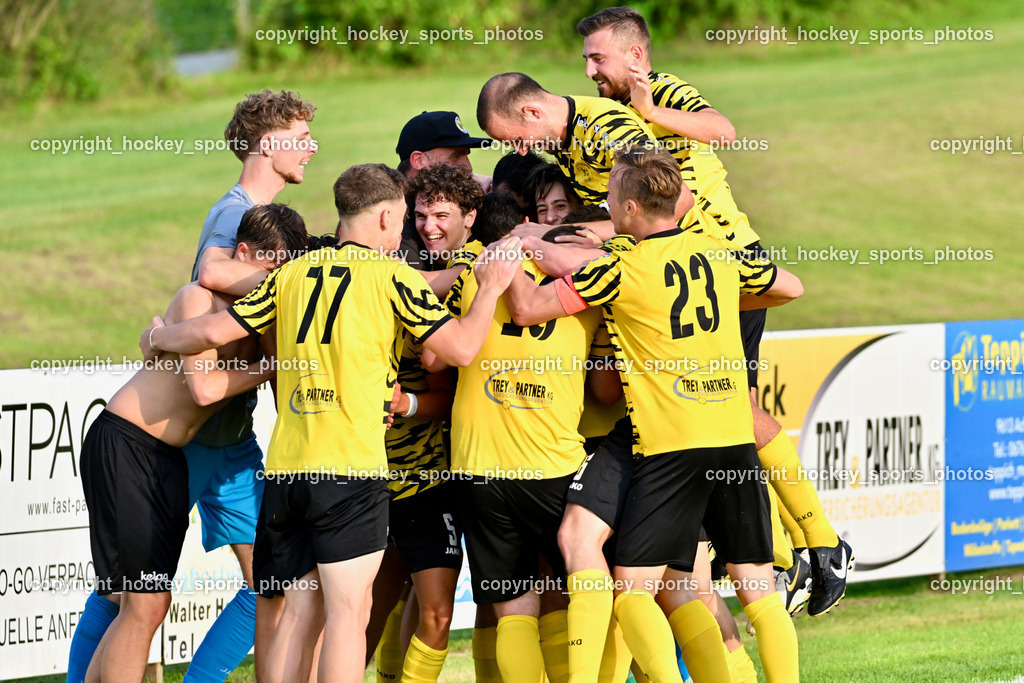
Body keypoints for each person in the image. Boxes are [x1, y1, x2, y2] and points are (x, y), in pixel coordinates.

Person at [141, 163, 523, 683]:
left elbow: (210, 331)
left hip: (287, 472)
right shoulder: (392, 277)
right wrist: (490, 288)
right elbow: (459, 349)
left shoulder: (292, 274)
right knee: (348, 614)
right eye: (404, 218)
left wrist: (158, 337)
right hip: (349, 471)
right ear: (386, 217)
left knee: (299, 611)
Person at [577, 6, 851, 616]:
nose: (590, 70)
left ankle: (818, 544)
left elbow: (722, 129)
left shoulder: (661, 91)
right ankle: (798, 550)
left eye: (599, 57)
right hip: (679, 274)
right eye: (587, 59)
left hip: (722, 269)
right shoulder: (601, 117)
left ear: (636, 57)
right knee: (728, 416)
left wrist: (653, 111)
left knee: (736, 412)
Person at [505, 147, 803, 682]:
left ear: (632, 208)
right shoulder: (716, 250)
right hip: (734, 438)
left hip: (672, 446)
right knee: (759, 591)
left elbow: (527, 309)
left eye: (611, 196)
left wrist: (505, 257)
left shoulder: (621, 270)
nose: (605, 204)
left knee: (632, 588)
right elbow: (790, 287)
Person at [66, 89, 318, 683]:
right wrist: (300, 285)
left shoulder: (263, 216)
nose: (312, 147)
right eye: (302, 137)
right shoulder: (236, 214)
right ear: (268, 143)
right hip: (184, 438)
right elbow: (209, 277)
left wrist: (161, 338)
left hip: (223, 437)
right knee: (132, 598)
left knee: (260, 582)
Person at [395, 111, 491, 268]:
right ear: (418, 160)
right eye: (455, 157)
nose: (468, 166)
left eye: (466, 155)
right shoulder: (396, 224)